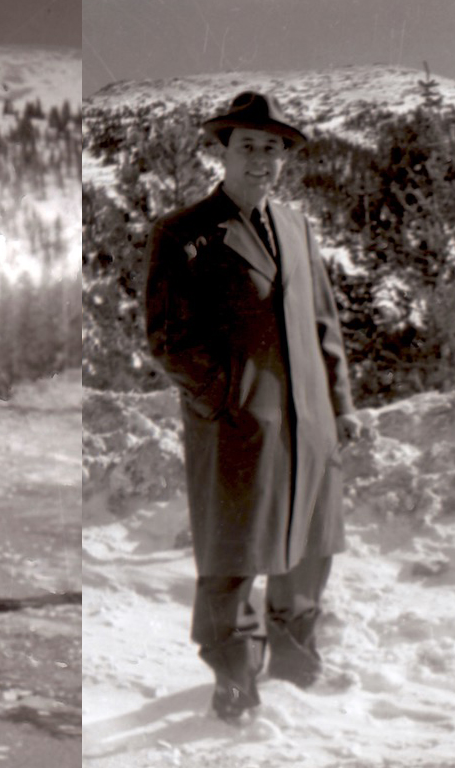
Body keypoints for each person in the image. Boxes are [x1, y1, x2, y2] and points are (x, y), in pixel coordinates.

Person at [145, 92, 363, 721]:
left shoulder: (297, 226)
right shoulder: (184, 232)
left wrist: (340, 405)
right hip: (237, 421)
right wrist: (228, 398)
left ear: (285, 157)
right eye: (248, 146)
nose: (261, 159)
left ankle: (295, 661)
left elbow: (325, 324)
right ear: (225, 150)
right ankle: (234, 678)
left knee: (311, 545)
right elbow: (167, 338)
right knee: (235, 551)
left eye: (273, 147)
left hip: (311, 418)